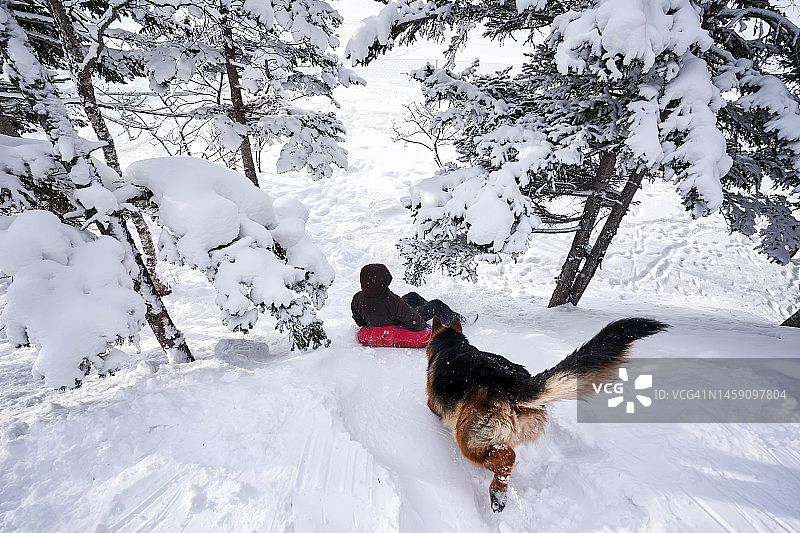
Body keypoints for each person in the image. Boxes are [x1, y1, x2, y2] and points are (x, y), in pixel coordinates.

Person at [351, 263, 465, 330]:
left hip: (386, 315)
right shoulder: (393, 301)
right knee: (437, 305)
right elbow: (417, 324)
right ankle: (459, 321)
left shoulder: (358, 298)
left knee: (412, 296)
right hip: (398, 321)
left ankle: (432, 312)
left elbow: (359, 320)